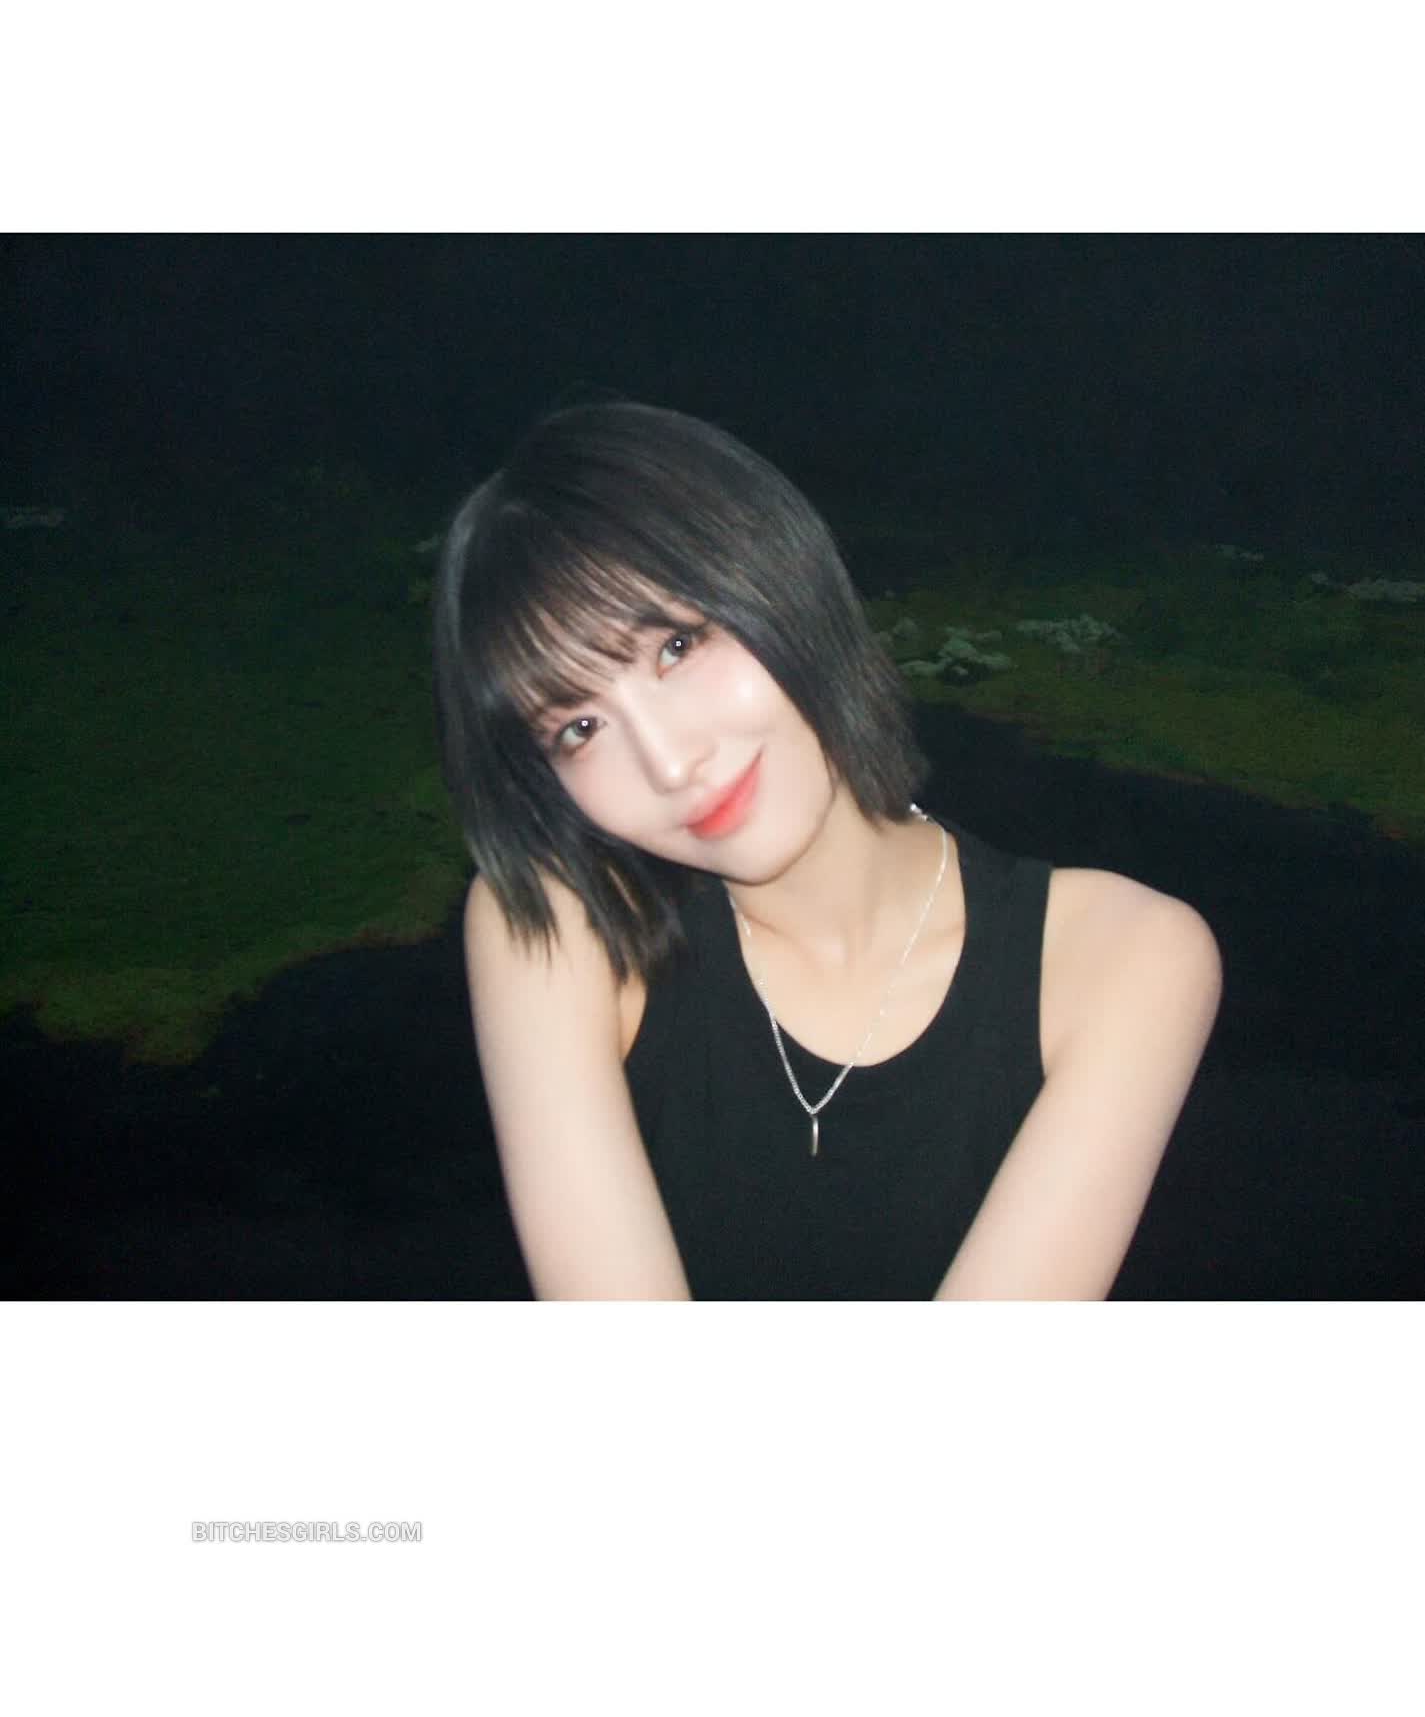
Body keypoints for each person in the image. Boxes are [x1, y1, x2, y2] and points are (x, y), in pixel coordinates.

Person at [432, 399, 1223, 1299]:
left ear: (780, 579)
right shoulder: (564, 925)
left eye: (677, 647)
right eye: (578, 727)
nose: (670, 762)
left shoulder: (1120, 956)